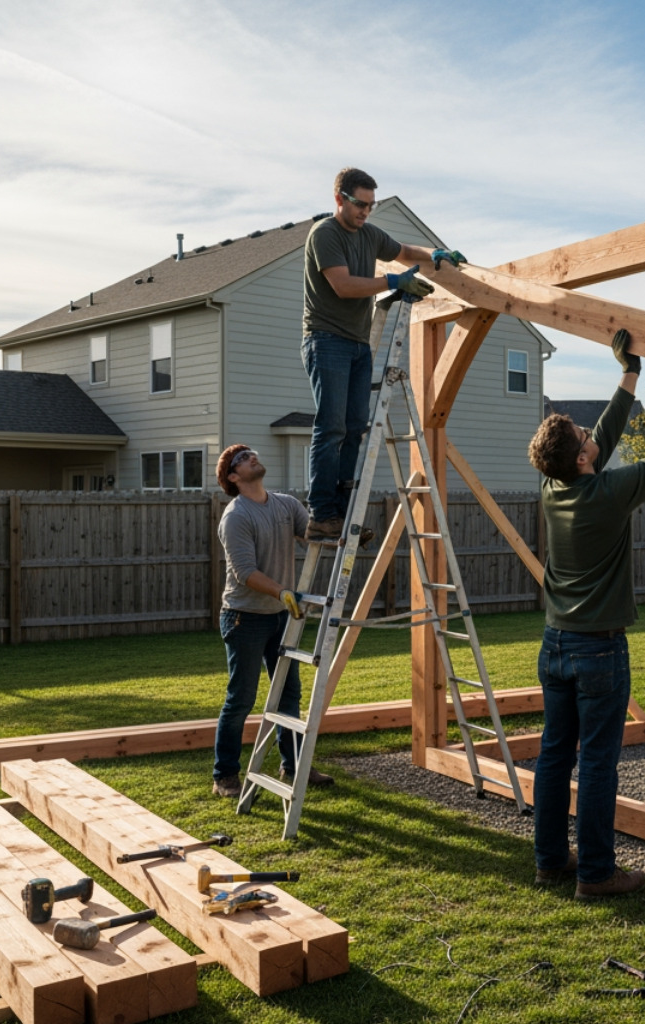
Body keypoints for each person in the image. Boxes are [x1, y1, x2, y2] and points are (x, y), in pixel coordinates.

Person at [526, 329, 645, 899]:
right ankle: (595, 875)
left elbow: (600, 441)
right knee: (599, 766)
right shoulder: (607, 493)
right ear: (583, 458)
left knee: (555, 756)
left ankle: (549, 862)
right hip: (598, 651)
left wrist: (629, 376)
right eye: (586, 440)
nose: (593, 439)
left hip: (556, 646)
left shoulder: (552, 488)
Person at [301, 167, 466, 540]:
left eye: (371, 206)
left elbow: (404, 251)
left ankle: (341, 515)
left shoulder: (369, 234)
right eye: (360, 205)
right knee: (331, 428)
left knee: (355, 427)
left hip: (359, 343)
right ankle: (321, 514)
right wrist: (393, 281)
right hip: (326, 340)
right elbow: (343, 286)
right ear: (339, 199)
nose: (365, 213)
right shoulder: (324, 234)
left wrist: (434, 254)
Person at [211, 444, 334, 797]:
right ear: (233, 477)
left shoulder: (286, 504)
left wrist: (343, 537)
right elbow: (245, 571)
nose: (252, 457)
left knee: (289, 694)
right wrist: (282, 591)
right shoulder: (236, 516)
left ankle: (293, 767)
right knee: (242, 698)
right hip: (243, 618)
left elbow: (311, 536)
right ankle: (225, 776)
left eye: (252, 452)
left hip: (281, 615)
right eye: (242, 458)